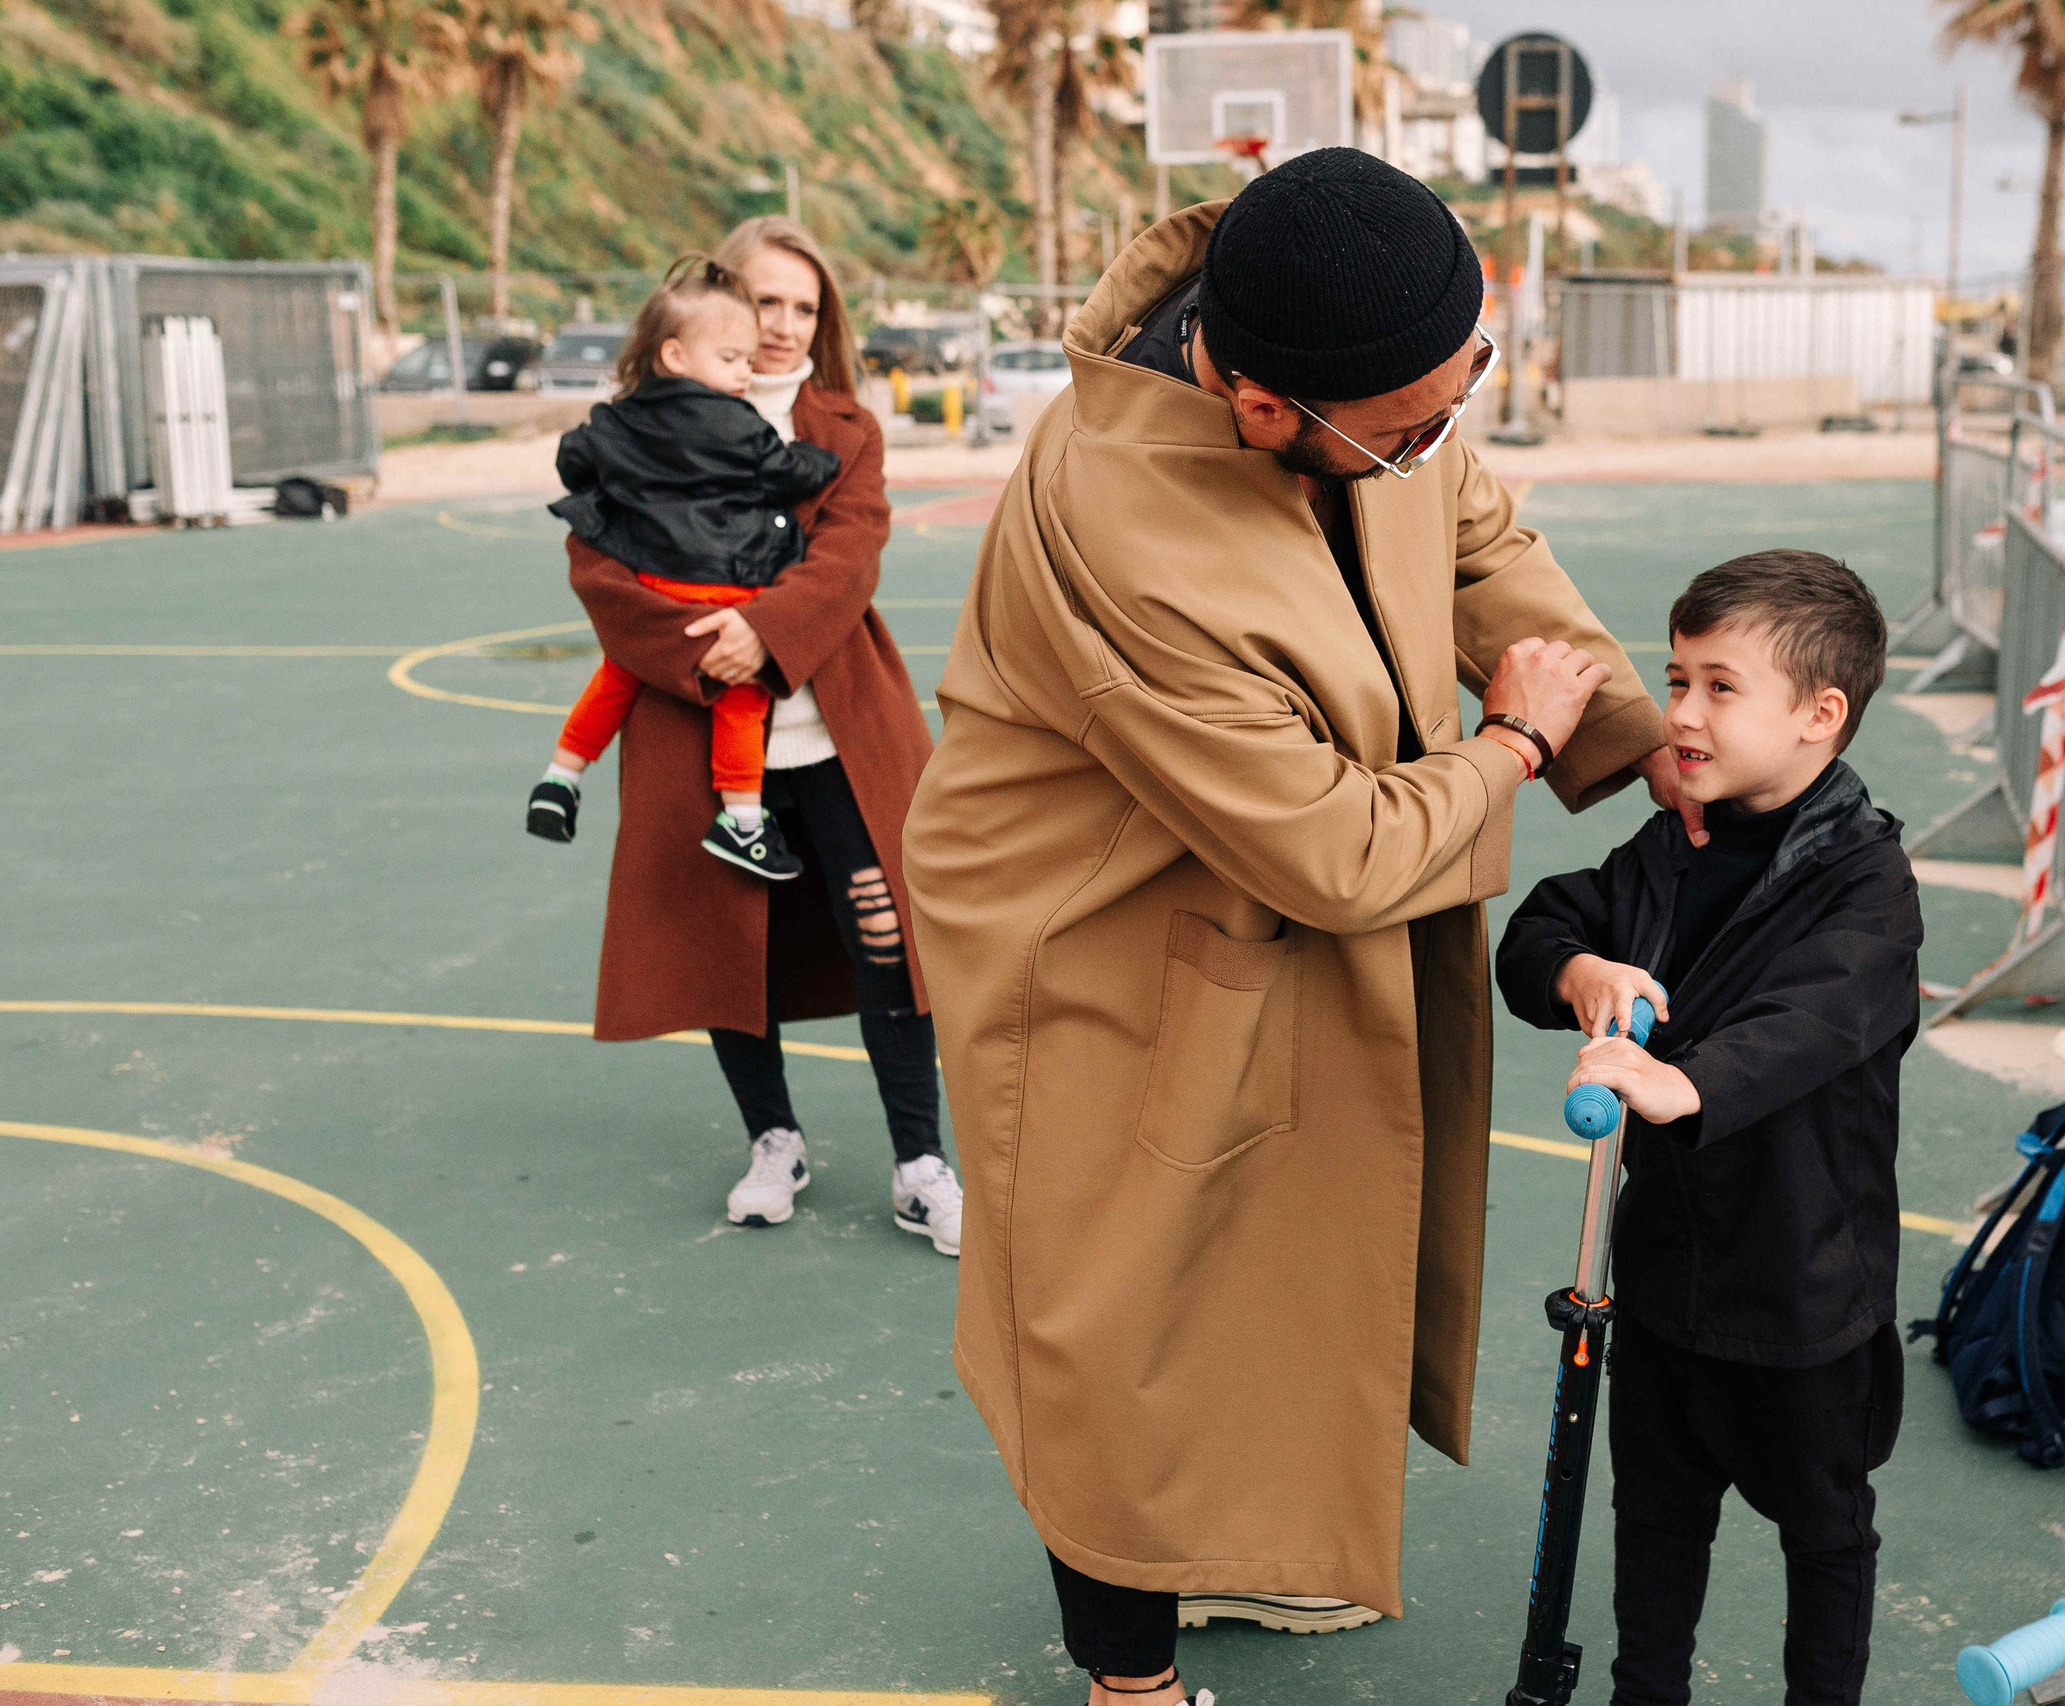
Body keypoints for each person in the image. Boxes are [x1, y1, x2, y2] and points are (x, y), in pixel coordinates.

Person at [903, 150, 1697, 1706]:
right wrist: (1518, 748)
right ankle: (1127, 1676)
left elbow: (1477, 535)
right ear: (1267, 411)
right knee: (1116, 1312)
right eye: (1410, 429)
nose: (1441, 442)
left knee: (1282, 1252)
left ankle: (1245, 1539)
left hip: (1274, 885)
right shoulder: (1118, 526)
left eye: (1461, 397)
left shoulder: (1365, 381)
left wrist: (1630, 727)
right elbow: (1334, 848)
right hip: (1103, 931)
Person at [1495, 550, 1923, 1706]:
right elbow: (1541, 924)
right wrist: (1582, 969)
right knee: (1655, 1518)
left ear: (1817, 716)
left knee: (1824, 1527)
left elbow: (1818, 1016)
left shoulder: (1866, 882)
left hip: (1800, 1285)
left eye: (1718, 687)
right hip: (1668, 1270)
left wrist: (1683, 1083)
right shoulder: (1674, 845)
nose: (1679, 714)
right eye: (1676, 678)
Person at [565, 215, 962, 1250]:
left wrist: (764, 631)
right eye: (761, 301)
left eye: (802, 307)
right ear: (705, 306)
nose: (780, 327)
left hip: (835, 728)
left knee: (887, 931)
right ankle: (772, 1138)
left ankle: (919, 1161)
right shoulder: (634, 424)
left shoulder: (844, 429)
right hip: (697, 730)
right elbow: (600, 572)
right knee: (726, 942)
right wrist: (708, 651)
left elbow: (849, 556)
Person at [529, 257, 840, 879]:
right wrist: (815, 458)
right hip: (725, 588)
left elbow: (574, 458)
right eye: (732, 359)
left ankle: (560, 776)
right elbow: (790, 472)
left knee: (616, 679)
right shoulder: (736, 424)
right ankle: (743, 819)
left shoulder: (620, 417)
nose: (744, 372)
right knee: (742, 698)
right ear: (675, 355)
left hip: (655, 582)